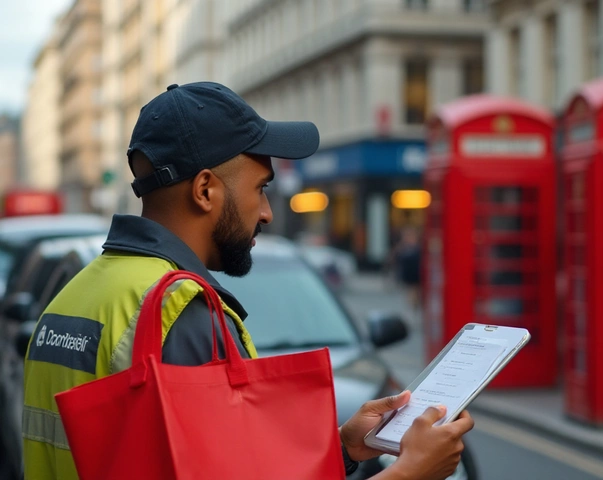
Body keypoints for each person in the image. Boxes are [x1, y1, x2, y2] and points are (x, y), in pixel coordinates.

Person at [22, 82, 474, 480]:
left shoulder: (72, 295)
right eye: (259, 188)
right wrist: (410, 472)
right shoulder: (181, 312)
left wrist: (340, 449)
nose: (267, 212)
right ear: (205, 190)